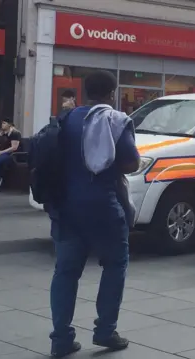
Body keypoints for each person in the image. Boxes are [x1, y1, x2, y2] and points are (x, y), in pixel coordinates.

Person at [49, 70, 140, 357]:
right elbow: (132, 162)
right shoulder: (115, 120)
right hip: (104, 205)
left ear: (85, 93)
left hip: (67, 206)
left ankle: (61, 339)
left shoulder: (65, 119)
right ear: (111, 93)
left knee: (65, 272)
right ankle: (105, 331)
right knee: (115, 264)